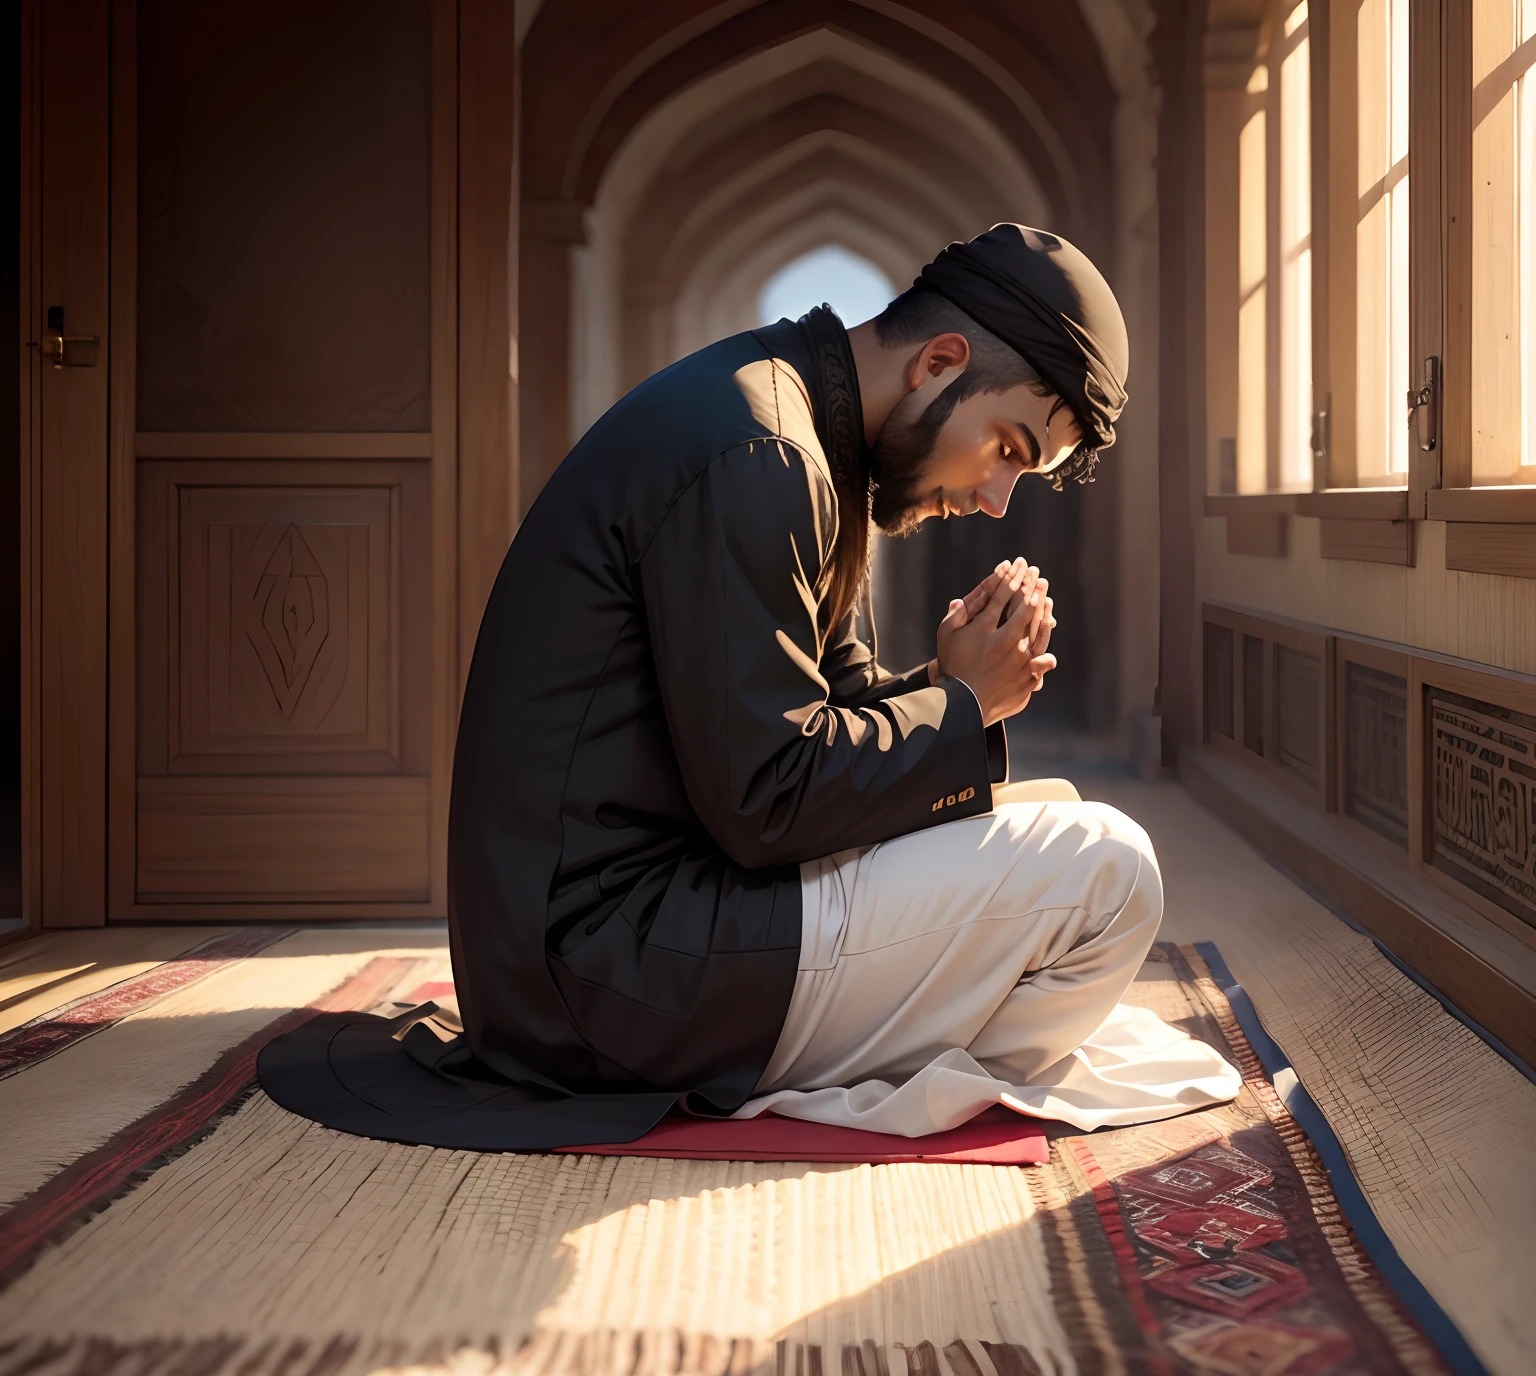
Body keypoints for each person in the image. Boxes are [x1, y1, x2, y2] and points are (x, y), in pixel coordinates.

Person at [258, 224, 1238, 1150]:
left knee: (1053, 808)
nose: (992, 497)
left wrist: (944, 685)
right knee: (1109, 868)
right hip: (611, 972)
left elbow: (817, 722)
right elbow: (768, 803)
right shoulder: (763, 459)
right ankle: (885, 1065)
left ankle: (889, 1042)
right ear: (940, 364)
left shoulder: (800, 425)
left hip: (623, 940)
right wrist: (965, 705)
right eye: (1008, 449)